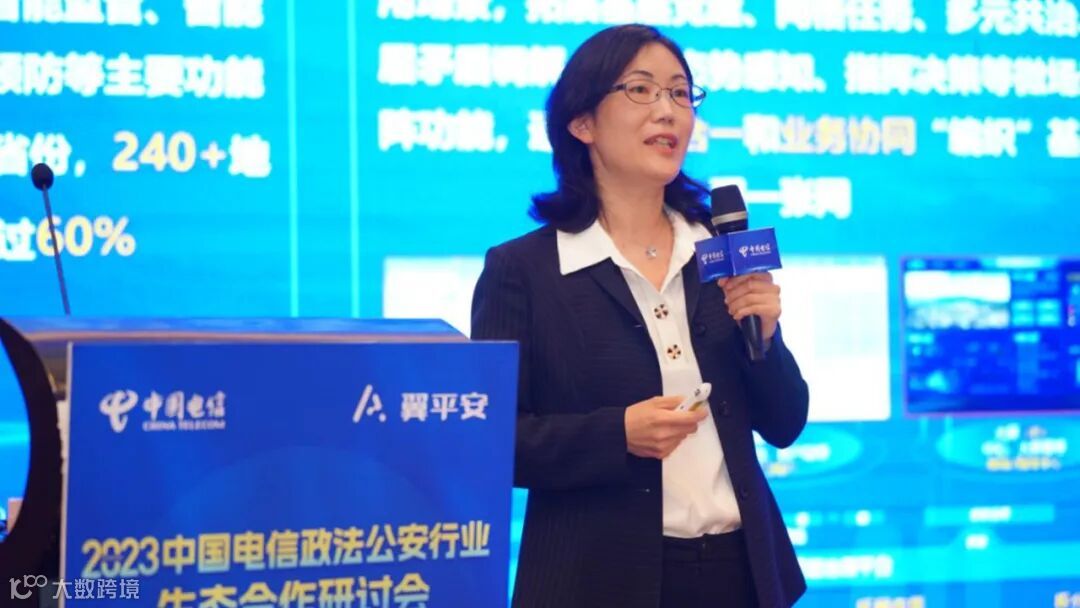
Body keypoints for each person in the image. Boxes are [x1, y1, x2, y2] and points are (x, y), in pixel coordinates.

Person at [470, 24, 809, 608]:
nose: (668, 110)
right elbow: (494, 441)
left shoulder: (718, 251)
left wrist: (766, 339)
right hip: (596, 583)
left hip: (740, 576)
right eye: (641, 90)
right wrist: (617, 435)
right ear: (582, 123)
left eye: (680, 93)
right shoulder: (524, 271)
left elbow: (785, 423)